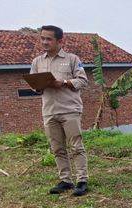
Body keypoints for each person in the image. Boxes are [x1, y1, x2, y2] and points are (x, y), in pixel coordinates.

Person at [30, 25, 89, 196]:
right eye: (42, 38)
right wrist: (39, 85)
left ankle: (82, 180)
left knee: (76, 146)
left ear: (59, 41)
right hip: (49, 111)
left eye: (49, 39)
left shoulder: (72, 59)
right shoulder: (37, 62)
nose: (45, 42)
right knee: (57, 148)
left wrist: (63, 82)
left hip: (69, 109)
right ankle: (65, 180)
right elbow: (34, 86)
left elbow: (83, 81)